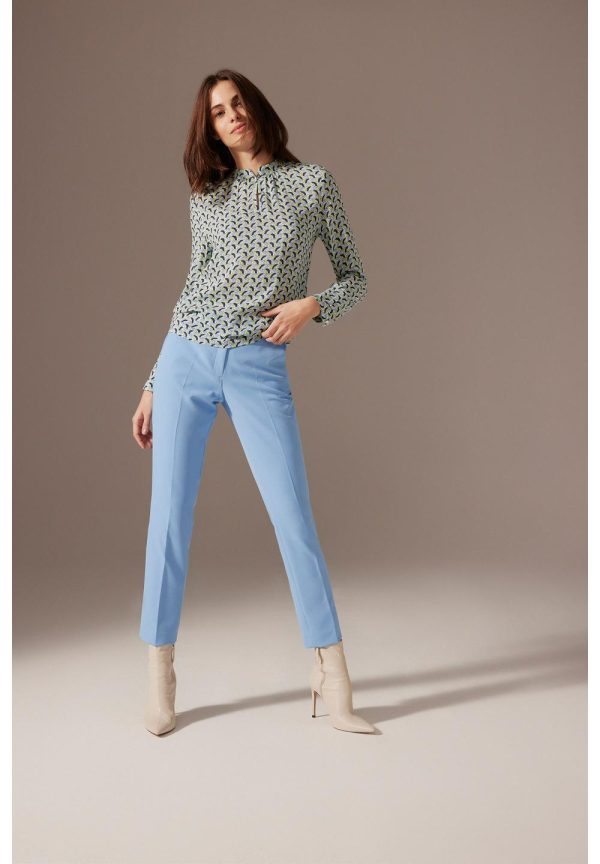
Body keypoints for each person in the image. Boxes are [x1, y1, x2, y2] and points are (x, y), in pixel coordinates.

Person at [132, 69, 375, 736]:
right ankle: (160, 674)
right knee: (168, 520)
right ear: (210, 129)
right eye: (217, 111)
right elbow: (193, 287)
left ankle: (331, 675)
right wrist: (153, 380)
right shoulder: (207, 194)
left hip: (258, 366)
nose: (231, 115)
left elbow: (356, 277)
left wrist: (311, 306)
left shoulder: (313, 184)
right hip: (185, 358)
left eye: (237, 102)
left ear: (256, 107)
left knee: (293, 518)